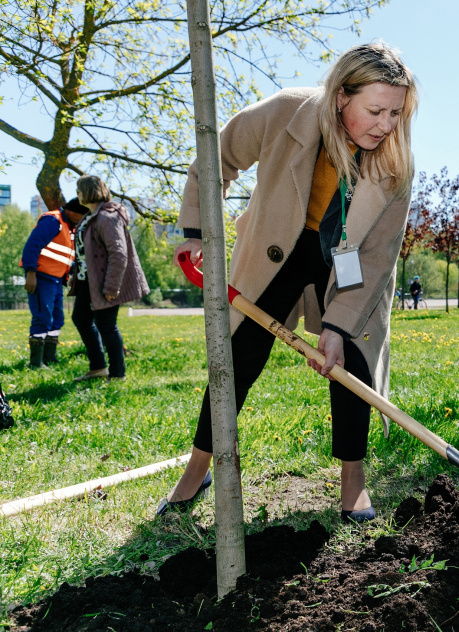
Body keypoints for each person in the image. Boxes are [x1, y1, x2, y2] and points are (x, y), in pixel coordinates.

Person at [159, 42, 417, 523]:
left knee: (352, 361)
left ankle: (353, 483)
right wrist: (195, 231)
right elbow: (217, 155)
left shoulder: (396, 163)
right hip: (277, 247)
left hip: (349, 264)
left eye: (396, 113)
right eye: (375, 110)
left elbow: (377, 259)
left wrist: (337, 329)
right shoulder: (285, 111)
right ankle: (197, 470)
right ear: (342, 96)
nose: (386, 124)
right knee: (237, 356)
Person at [70, 176, 149, 381]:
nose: (77, 194)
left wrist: (112, 286)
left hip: (106, 282)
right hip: (88, 281)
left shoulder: (107, 216)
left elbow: (118, 253)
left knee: (106, 325)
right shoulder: (91, 215)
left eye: (79, 190)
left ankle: (117, 374)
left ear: (89, 191)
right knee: (80, 318)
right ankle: (98, 367)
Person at [20, 198, 87, 368]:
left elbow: (63, 256)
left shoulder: (70, 227)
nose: (83, 218)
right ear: (72, 211)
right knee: (42, 317)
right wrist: (31, 273)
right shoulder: (53, 220)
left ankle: (49, 358)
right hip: (41, 277)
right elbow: (32, 246)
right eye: (82, 214)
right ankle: (35, 363)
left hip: (56, 280)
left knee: (57, 319)